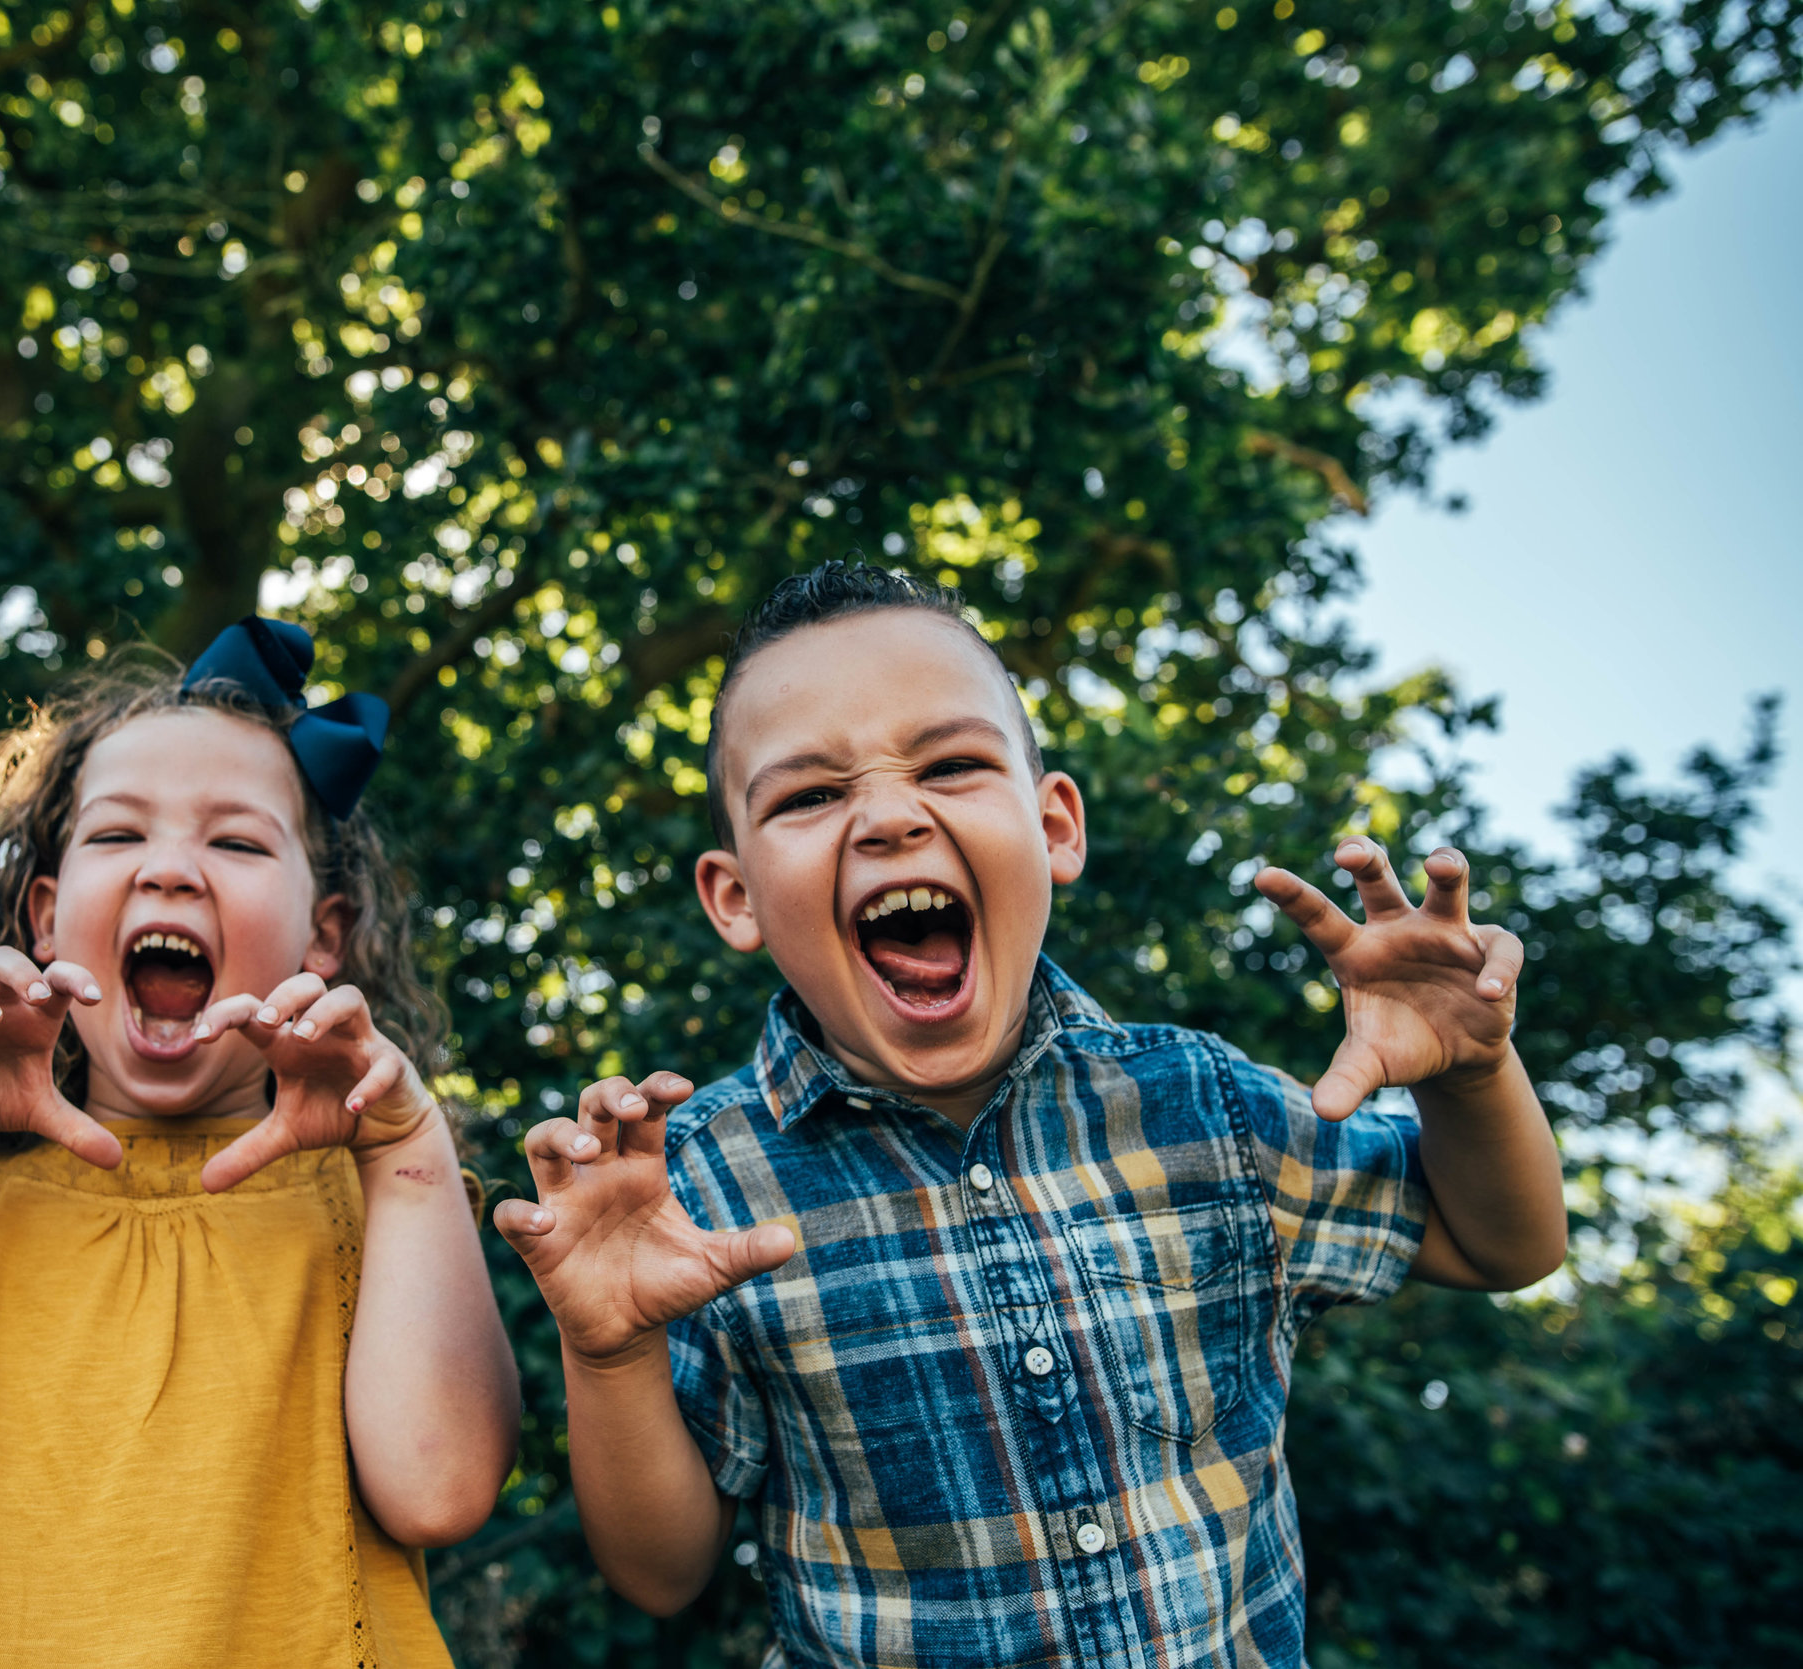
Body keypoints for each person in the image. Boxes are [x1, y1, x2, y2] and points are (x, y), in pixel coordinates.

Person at [494, 564, 1567, 1669]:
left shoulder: (1201, 1105)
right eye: (810, 795)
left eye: (950, 764)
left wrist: (1469, 1073)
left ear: (1054, 824)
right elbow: (660, 1572)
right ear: (735, 896)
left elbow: (1507, 1242)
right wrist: (611, 1349)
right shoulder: (697, 1187)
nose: (890, 816)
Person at [0, 619, 518, 1667]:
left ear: (322, 935)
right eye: (118, 835)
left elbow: (441, 1490)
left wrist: (405, 1147)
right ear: (45, 914)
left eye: (237, 842)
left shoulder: (384, 1197)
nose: (169, 869)